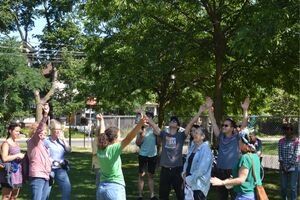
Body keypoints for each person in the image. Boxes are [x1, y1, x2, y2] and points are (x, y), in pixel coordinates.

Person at [206, 97, 250, 200]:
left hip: (233, 171)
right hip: (220, 170)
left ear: (232, 128)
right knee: (222, 196)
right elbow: (213, 122)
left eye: (226, 125)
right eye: (223, 125)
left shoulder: (236, 137)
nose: (223, 127)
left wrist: (245, 110)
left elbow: (244, 124)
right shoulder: (221, 136)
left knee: (235, 196)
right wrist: (209, 109)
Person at [96, 114, 147, 200]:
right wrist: (140, 124)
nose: (120, 139)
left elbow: (102, 133)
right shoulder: (114, 149)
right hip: (114, 189)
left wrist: (102, 121)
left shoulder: (100, 148)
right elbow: (129, 138)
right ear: (115, 139)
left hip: (101, 189)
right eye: (119, 137)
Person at [210, 129, 262, 200]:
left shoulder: (245, 158)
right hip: (251, 195)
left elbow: (241, 180)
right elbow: (248, 177)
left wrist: (222, 182)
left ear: (244, 143)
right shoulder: (255, 156)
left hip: (244, 196)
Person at [148, 114, 190, 200]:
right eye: (171, 120)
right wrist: (144, 114)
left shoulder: (181, 136)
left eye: (175, 121)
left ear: (178, 126)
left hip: (177, 170)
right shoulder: (164, 134)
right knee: (163, 196)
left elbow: (191, 123)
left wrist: (200, 111)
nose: (172, 121)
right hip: (165, 171)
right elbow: (154, 125)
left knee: (181, 195)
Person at [182, 103, 213, 200]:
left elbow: (201, 169)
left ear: (203, 137)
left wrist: (188, 179)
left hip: (199, 186)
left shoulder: (206, 150)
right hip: (189, 183)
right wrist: (184, 174)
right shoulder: (192, 147)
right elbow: (187, 162)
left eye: (197, 133)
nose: (194, 134)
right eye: (194, 132)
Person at [27, 103, 52, 200]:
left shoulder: (42, 144)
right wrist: (45, 115)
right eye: (41, 132)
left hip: (45, 175)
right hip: (37, 175)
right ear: (35, 132)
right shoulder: (33, 141)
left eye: (45, 132)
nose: (44, 134)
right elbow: (40, 127)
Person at [44, 119, 71, 200]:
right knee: (46, 192)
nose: (59, 131)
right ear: (51, 130)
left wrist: (64, 140)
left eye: (60, 129)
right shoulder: (46, 141)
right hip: (49, 170)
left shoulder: (61, 140)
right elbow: (44, 155)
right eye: (57, 129)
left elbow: (69, 150)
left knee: (67, 189)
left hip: (61, 169)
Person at [135, 111, 158, 200]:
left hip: (153, 155)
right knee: (141, 175)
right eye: (146, 117)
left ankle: (152, 196)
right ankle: (140, 196)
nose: (148, 119)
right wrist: (142, 135)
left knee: (151, 175)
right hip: (143, 155)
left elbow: (159, 140)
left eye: (149, 117)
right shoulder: (141, 129)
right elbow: (137, 143)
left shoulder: (155, 128)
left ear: (152, 118)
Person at [0, 123, 25, 200]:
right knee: (6, 196)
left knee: (14, 196)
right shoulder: (6, 143)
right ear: (10, 131)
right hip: (8, 173)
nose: (18, 133)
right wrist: (17, 155)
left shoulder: (16, 143)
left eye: (19, 131)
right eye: (16, 131)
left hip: (17, 172)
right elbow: (4, 158)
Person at [278, 123, 299, 200]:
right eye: (285, 129)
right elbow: (280, 154)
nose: (287, 131)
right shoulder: (281, 141)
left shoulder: (296, 141)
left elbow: (296, 154)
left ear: (292, 130)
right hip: (283, 167)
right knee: (283, 187)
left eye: (289, 129)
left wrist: (290, 165)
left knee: (293, 187)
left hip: (294, 167)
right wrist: (283, 165)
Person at [92, 114, 105, 188]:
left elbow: (101, 130)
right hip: (99, 165)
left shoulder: (96, 139)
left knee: (100, 183)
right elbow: (101, 131)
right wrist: (101, 120)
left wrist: (100, 121)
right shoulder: (98, 140)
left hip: (98, 165)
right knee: (100, 184)